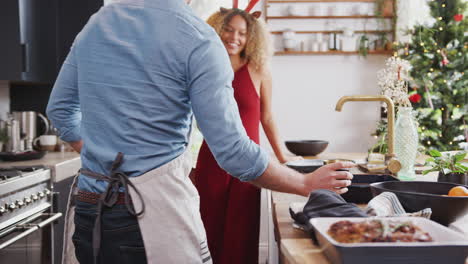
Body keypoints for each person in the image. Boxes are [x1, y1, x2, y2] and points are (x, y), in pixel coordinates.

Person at [46, 0, 354, 263]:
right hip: (152, 214)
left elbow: (60, 111)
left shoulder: (98, 23)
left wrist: (102, 158)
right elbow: (233, 152)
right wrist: (304, 183)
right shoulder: (196, 37)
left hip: (89, 205)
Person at [194, 7, 301, 264]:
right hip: (212, 161)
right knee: (207, 227)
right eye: (228, 30)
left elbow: (267, 117)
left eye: (242, 33)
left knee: (242, 231)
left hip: (249, 162)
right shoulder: (205, 68)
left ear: (251, 37)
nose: (234, 37)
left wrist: (281, 156)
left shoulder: (258, 70)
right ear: (217, 30)